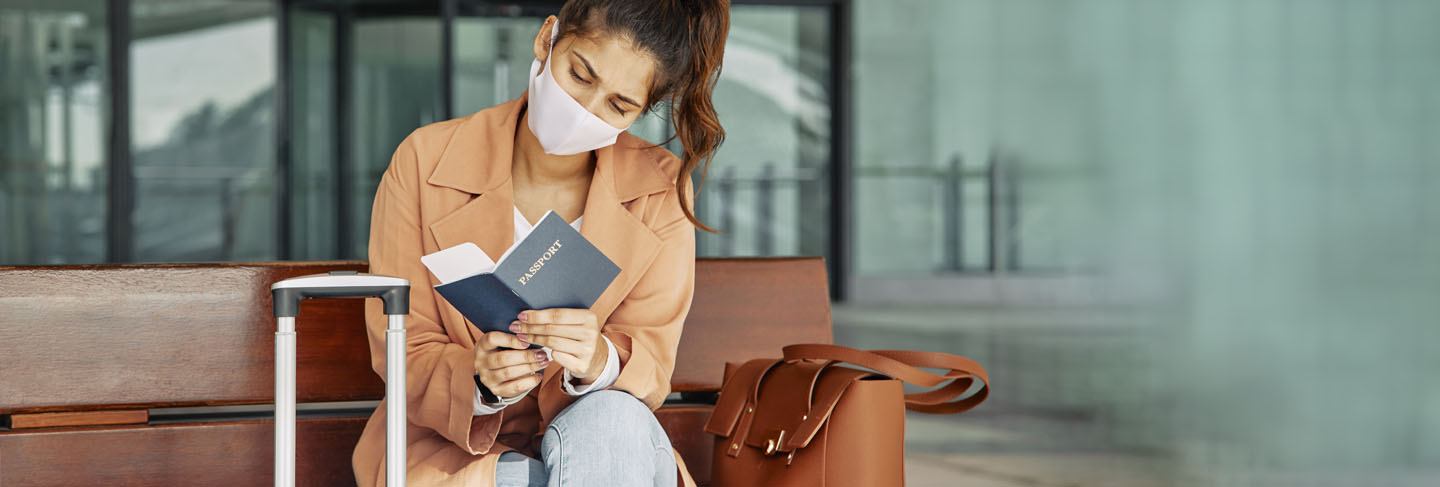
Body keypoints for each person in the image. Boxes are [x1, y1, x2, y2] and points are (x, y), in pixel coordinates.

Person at [350, 1, 729, 486]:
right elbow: (403, 345)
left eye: (619, 105)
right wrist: (480, 380)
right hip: (450, 453)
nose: (586, 110)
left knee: (611, 422)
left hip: (603, 447)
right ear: (547, 38)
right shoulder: (425, 162)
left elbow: (651, 360)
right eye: (580, 75)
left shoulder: (659, 190)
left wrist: (597, 360)